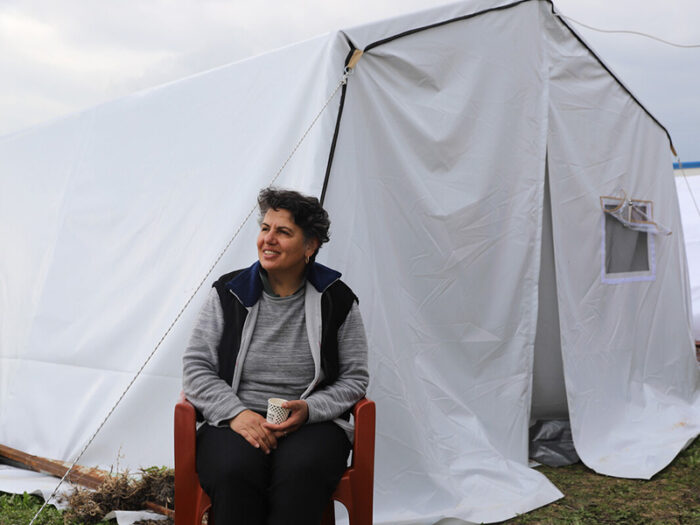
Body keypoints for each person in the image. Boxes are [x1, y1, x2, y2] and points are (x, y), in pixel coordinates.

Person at [182, 187, 369, 525]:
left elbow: (355, 378)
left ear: (310, 245)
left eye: (283, 232)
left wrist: (309, 409)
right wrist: (235, 414)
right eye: (265, 228)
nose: (268, 239)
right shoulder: (228, 293)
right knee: (233, 471)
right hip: (234, 420)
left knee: (302, 473)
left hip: (312, 424)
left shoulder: (337, 299)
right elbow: (196, 367)